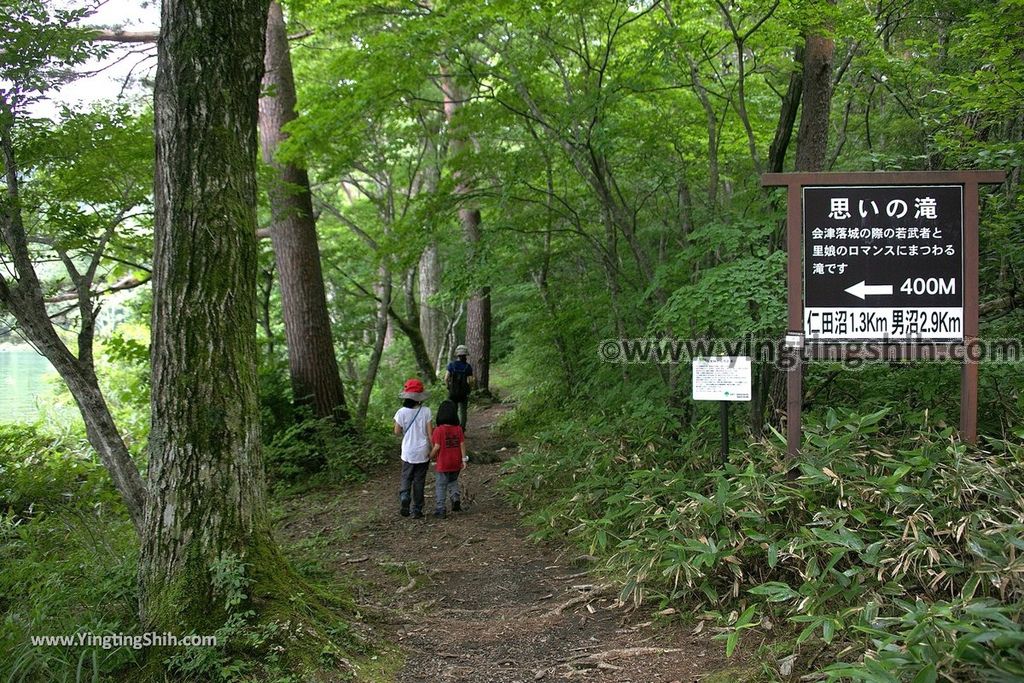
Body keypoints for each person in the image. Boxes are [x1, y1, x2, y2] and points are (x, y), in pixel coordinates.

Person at [393, 378, 432, 519]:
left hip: (408, 451)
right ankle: (417, 510)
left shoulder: (401, 412)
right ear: (420, 397)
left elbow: (397, 432)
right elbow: (430, 433)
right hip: (423, 451)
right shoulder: (426, 411)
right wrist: (433, 449)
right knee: (419, 480)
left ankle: (404, 495)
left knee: (406, 476)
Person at [430, 400, 466, 518]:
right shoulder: (458, 429)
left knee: (441, 485)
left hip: (443, 462)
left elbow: (437, 447)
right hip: (456, 461)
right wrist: (464, 459)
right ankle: (455, 499)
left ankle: (441, 508)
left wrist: (430, 456)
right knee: (453, 480)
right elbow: (462, 444)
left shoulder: (438, 430)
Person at [444, 344, 474, 432]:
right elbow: (471, 381)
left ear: (457, 354)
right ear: (465, 355)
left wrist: (448, 387)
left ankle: (454, 429)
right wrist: (470, 389)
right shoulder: (468, 367)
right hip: (463, 392)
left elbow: (446, 378)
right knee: (463, 412)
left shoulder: (451, 365)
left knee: (453, 410)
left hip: (453, 392)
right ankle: (462, 430)